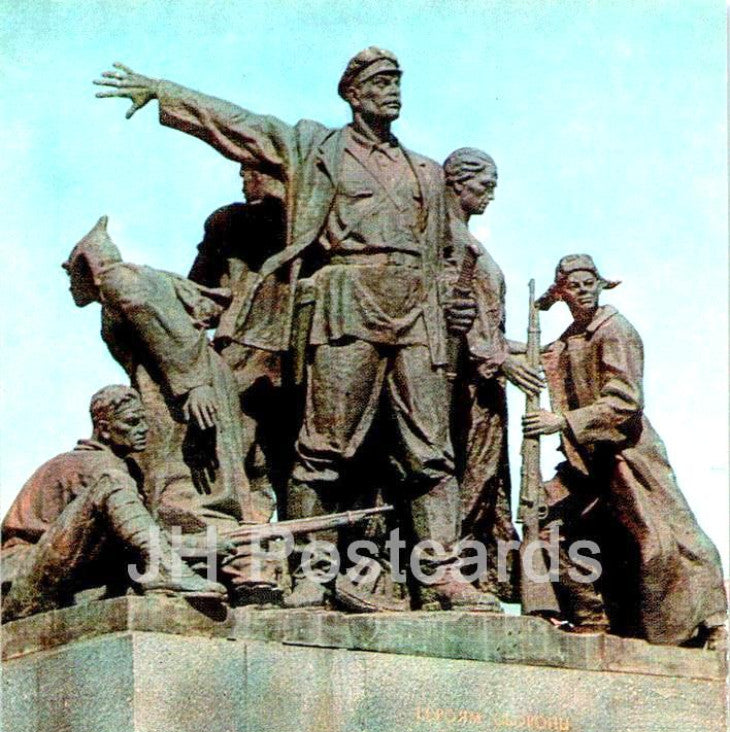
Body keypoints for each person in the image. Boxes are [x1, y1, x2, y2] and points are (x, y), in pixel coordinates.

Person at [93, 50, 495, 613]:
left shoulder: (426, 171)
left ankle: (443, 574)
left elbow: (450, 250)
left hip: (417, 313)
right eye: (380, 83)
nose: (392, 92)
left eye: (397, 83)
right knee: (323, 447)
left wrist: (454, 302)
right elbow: (244, 128)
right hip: (346, 304)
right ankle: (311, 572)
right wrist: (165, 90)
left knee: (431, 453)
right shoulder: (317, 148)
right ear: (352, 94)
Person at [523, 254, 727, 647]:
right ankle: (589, 617)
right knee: (545, 518)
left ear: (600, 285)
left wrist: (563, 422)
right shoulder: (574, 335)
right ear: (561, 291)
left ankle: (713, 622)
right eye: (573, 285)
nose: (583, 291)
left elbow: (626, 402)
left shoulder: (615, 330)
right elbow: (540, 356)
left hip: (628, 455)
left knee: (672, 539)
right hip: (588, 459)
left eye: (589, 283)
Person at [64, 217, 257, 543]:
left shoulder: (119, 281)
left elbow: (166, 326)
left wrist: (195, 385)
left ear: (88, 267)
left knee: (181, 468)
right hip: (175, 380)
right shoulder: (130, 279)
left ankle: (196, 544)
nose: (70, 285)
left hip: (179, 385)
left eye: (71, 274)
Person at [1, 386, 226, 621]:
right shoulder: (92, 466)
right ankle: (167, 571)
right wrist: (195, 546)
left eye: (143, 421)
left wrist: (200, 545)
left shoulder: (116, 465)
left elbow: (134, 537)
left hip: (53, 577)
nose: (143, 430)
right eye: (132, 422)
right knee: (112, 482)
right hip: (20, 584)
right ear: (105, 430)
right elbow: (126, 542)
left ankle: (167, 569)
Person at [443, 148, 544, 605]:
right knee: (468, 479)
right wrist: (502, 360)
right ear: (457, 183)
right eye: (486, 186)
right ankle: (440, 572)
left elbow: (490, 329)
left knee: (485, 484)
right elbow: (457, 321)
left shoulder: (469, 241)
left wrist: (538, 351)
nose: (492, 196)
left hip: (486, 385)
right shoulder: (446, 242)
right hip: (459, 387)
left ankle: (475, 577)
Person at [188, 161, 294, 517]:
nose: (243, 182)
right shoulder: (311, 217)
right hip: (270, 347)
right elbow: (200, 294)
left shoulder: (230, 220)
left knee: (245, 443)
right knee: (255, 447)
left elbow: (199, 291)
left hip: (260, 346)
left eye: (247, 173)